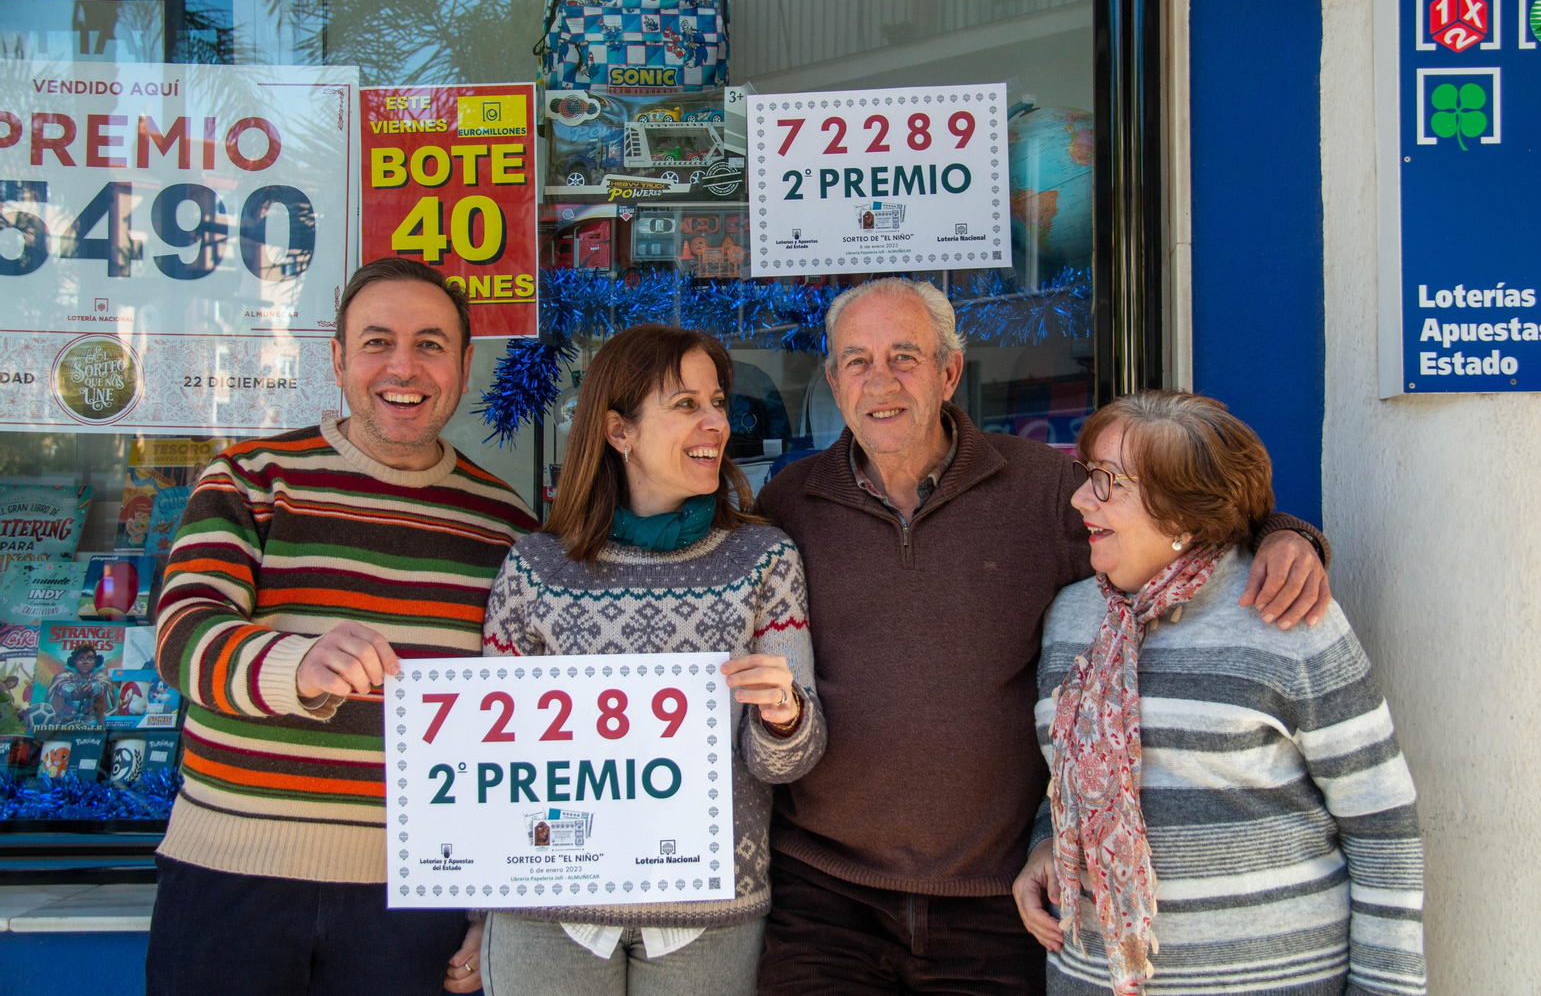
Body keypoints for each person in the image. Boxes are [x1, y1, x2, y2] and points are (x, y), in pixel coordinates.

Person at [754, 278, 1332, 995]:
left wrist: (1284, 533)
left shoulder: (1045, 488)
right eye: (857, 361)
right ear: (834, 380)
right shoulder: (790, 501)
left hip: (999, 905)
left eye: (904, 356)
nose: (881, 381)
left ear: (949, 372)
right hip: (827, 897)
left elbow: (1175, 525)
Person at [145, 258, 537, 996]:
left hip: (419, 897)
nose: (403, 367)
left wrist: (496, 901)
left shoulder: (507, 524)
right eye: (376, 342)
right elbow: (182, 637)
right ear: (337, 359)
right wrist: (294, 665)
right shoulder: (250, 478)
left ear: (462, 365)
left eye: (429, 345)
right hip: (229, 876)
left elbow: (516, 728)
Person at [1014, 391, 1425, 995]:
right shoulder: (1072, 619)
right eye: (1086, 474)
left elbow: (1382, 824)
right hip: (1093, 978)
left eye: (1107, 481)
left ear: (1183, 512)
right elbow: (1068, 781)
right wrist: (1046, 843)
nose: (1080, 499)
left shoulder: (1287, 616)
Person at [456, 324, 826, 996]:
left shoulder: (764, 559)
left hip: (708, 908)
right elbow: (494, 762)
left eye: (717, 402)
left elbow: (788, 762)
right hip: (547, 906)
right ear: (618, 431)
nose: (716, 422)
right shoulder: (535, 570)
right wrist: (480, 912)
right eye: (686, 404)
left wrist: (783, 717)